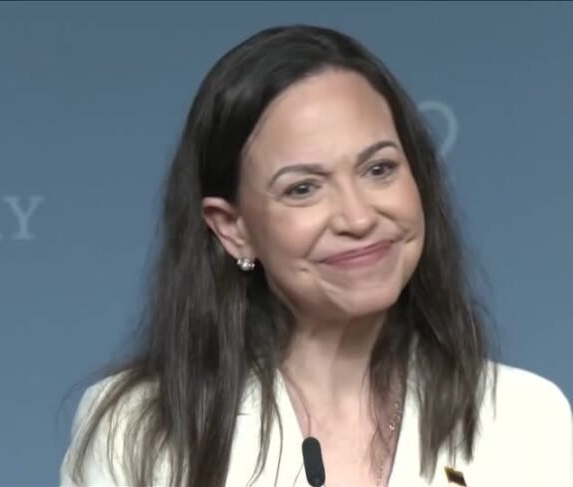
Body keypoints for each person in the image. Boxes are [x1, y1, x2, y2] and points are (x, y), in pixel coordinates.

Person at [59, 24, 572, 487]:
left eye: (379, 169)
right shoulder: (138, 429)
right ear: (233, 229)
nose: (358, 217)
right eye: (303, 188)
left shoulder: (526, 418)